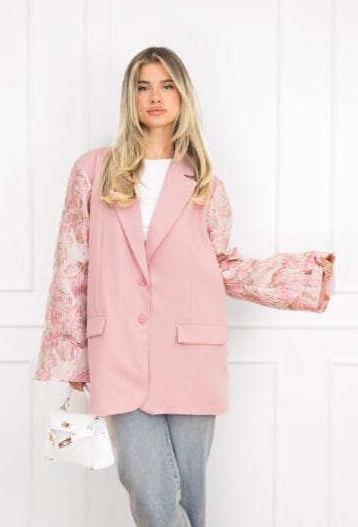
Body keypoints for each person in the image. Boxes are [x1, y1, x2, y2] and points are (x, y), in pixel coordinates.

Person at [34, 46, 335, 527]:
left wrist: (300, 278)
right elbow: (71, 264)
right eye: (143, 86)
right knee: (150, 491)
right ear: (130, 97)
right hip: (118, 352)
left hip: (191, 354)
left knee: (191, 496)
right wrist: (73, 355)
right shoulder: (92, 171)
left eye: (166, 85)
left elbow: (222, 266)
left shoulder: (205, 182)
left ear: (182, 97)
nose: (155, 96)